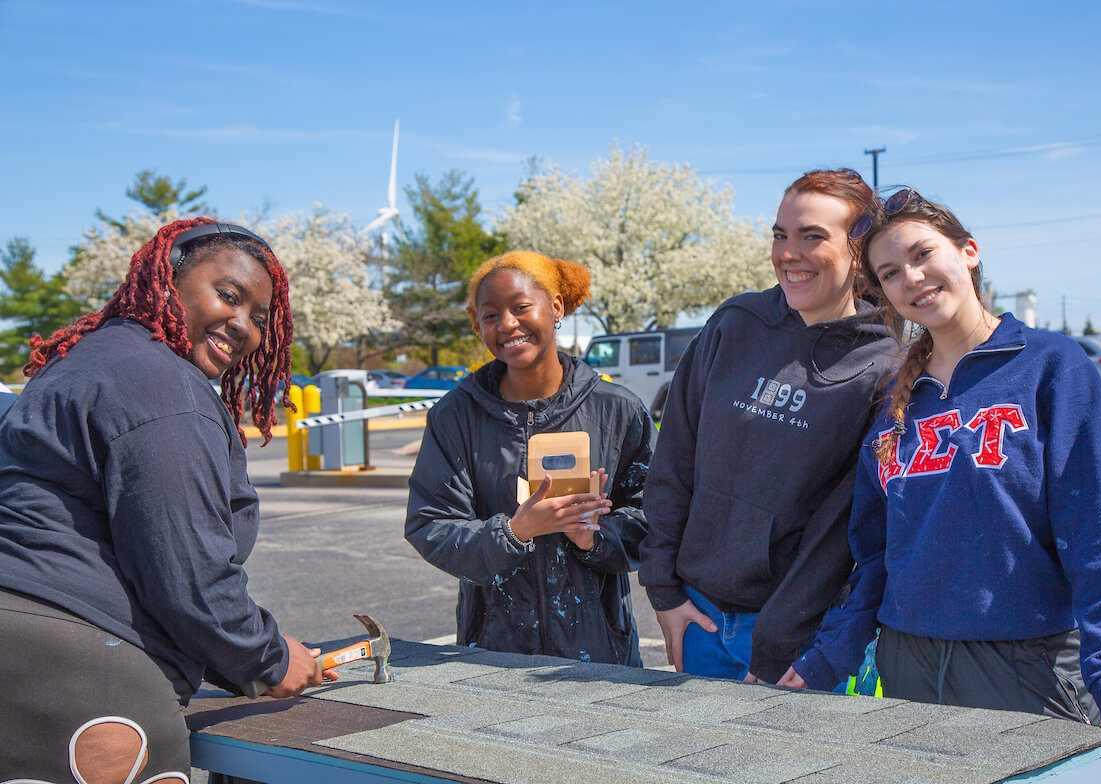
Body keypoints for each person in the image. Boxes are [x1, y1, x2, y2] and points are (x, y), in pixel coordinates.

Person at [781, 189, 1101, 761]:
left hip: (1024, 663)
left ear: (969, 252)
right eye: (891, 272)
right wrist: (828, 656)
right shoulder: (893, 405)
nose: (913, 277)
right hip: (908, 665)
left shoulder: (1051, 366)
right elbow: (876, 554)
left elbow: (1098, 528)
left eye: (924, 253)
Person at [0, 219, 332, 781]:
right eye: (229, 295)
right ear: (165, 278)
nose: (244, 325)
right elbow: (188, 571)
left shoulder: (80, 363)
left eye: (259, 318)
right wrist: (268, 657)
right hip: (86, 675)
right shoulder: (164, 387)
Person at [638, 169, 899, 684]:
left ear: (858, 250)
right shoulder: (734, 324)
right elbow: (673, 462)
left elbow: (848, 530)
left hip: (799, 644)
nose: (788, 253)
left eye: (812, 237)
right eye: (780, 235)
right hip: (700, 622)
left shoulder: (884, 367)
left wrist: (791, 643)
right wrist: (664, 592)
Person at [405, 250, 654, 665]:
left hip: (601, 653)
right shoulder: (456, 416)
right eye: (490, 316)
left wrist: (593, 537)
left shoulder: (618, 410)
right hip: (494, 653)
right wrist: (514, 532)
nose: (507, 325)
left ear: (555, 307)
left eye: (521, 307)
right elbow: (430, 525)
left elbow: (657, 515)